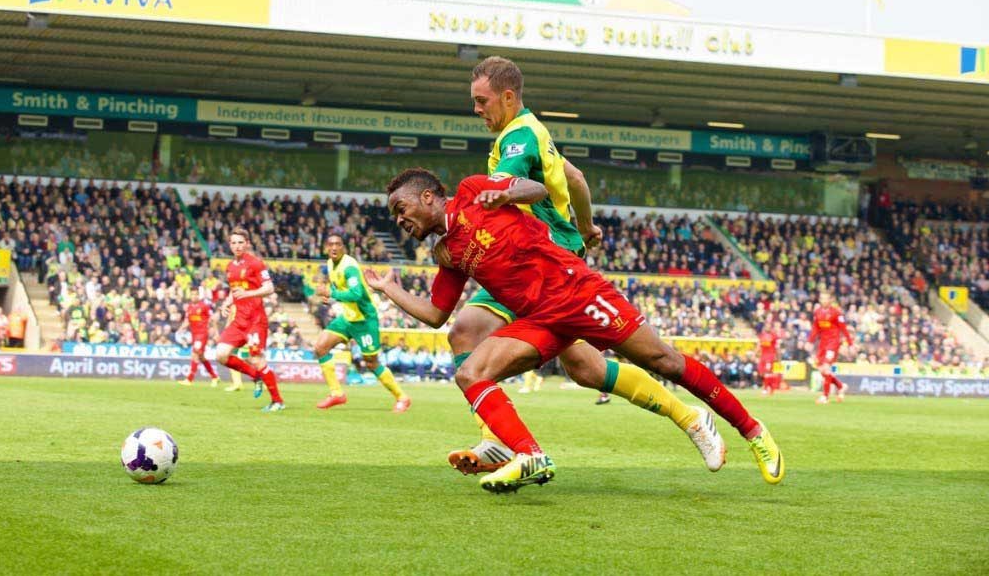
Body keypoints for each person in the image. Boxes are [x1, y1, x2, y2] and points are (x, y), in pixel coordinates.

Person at [369, 169, 783, 492]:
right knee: (470, 373)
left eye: (401, 209)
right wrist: (390, 289)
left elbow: (538, 189)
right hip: (540, 319)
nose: (399, 219)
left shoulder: (475, 189)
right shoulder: (448, 251)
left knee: (665, 361)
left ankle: (752, 431)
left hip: (577, 293)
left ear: (427, 197)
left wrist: (508, 194)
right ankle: (529, 455)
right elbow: (437, 313)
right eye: (395, 215)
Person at [446, 55, 716, 477]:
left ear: (508, 96)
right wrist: (587, 226)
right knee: (581, 367)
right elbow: (576, 179)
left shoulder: (517, 140)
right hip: (533, 261)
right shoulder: (538, 135)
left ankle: (690, 417)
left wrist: (488, 200)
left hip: (547, 264)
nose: (476, 109)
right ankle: (497, 439)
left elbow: (516, 181)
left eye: (482, 101)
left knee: (583, 363)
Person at [312, 234, 410, 412]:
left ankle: (402, 397)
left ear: (344, 247)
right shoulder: (329, 263)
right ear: (326, 247)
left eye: (338, 244)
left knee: (371, 362)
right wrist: (330, 293)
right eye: (330, 244)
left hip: (364, 319)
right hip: (348, 317)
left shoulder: (349, 267)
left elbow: (356, 294)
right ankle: (336, 394)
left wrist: (331, 293)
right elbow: (339, 287)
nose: (334, 248)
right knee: (320, 347)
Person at [215, 228, 285, 413]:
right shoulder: (230, 267)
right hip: (239, 320)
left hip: (255, 320)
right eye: (234, 242)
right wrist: (227, 302)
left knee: (256, 358)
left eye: (240, 242)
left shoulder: (256, 263)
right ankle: (255, 376)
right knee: (221, 354)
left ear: (247, 244)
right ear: (230, 245)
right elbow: (235, 289)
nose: (237, 246)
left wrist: (248, 293)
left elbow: (269, 287)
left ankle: (277, 401)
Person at [810, 291, 852, 404]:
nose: (824, 301)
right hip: (822, 343)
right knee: (821, 370)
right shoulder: (817, 312)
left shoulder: (836, 313)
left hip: (833, 343)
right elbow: (815, 328)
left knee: (826, 368)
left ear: (830, 300)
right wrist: (810, 341)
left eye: (826, 298)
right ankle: (841, 386)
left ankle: (825, 396)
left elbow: (844, 328)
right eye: (822, 298)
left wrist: (850, 343)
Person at [177, 287, 219, 387]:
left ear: (198, 295)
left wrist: (216, 333)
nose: (194, 296)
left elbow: (212, 320)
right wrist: (180, 329)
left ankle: (189, 379)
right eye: (192, 294)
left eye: (196, 294)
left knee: (194, 354)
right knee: (201, 357)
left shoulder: (204, 306)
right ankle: (214, 377)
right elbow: (187, 321)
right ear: (190, 295)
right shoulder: (189, 307)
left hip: (202, 334)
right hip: (194, 335)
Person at [757, 325, 780, 396]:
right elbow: (759, 345)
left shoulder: (774, 336)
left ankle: (765, 389)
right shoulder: (761, 335)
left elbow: (777, 347)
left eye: (769, 326)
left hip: (770, 356)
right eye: (766, 326)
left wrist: (778, 356)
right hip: (762, 356)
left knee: (767, 372)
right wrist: (757, 353)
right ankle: (770, 387)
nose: (767, 327)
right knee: (762, 372)